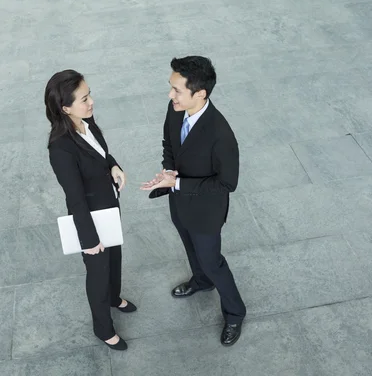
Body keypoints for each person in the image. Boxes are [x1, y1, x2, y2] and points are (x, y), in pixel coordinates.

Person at [141, 56, 246, 346]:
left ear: (200, 93)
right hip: (179, 203)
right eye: (170, 87)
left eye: (177, 90)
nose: (170, 95)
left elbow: (227, 183)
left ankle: (235, 312)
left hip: (206, 213)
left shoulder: (221, 135)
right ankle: (201, 282)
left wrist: (177, 183)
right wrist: (169, 171)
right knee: (190, 248)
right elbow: (169, 144)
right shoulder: (176, 109)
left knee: (213, 262)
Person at [46, 69, 136, 351]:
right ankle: (103, 328)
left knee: (116, 258)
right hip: (91, 221)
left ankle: (114, 297)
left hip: (108, 207)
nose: (91, 102)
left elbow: (101, 153)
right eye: (84, 99)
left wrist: (113, 165)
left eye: (89, 94)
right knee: (97, 273)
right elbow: (74, 198)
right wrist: (89, 240)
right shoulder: (60, 148)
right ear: (65, 108)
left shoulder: (87, 122)